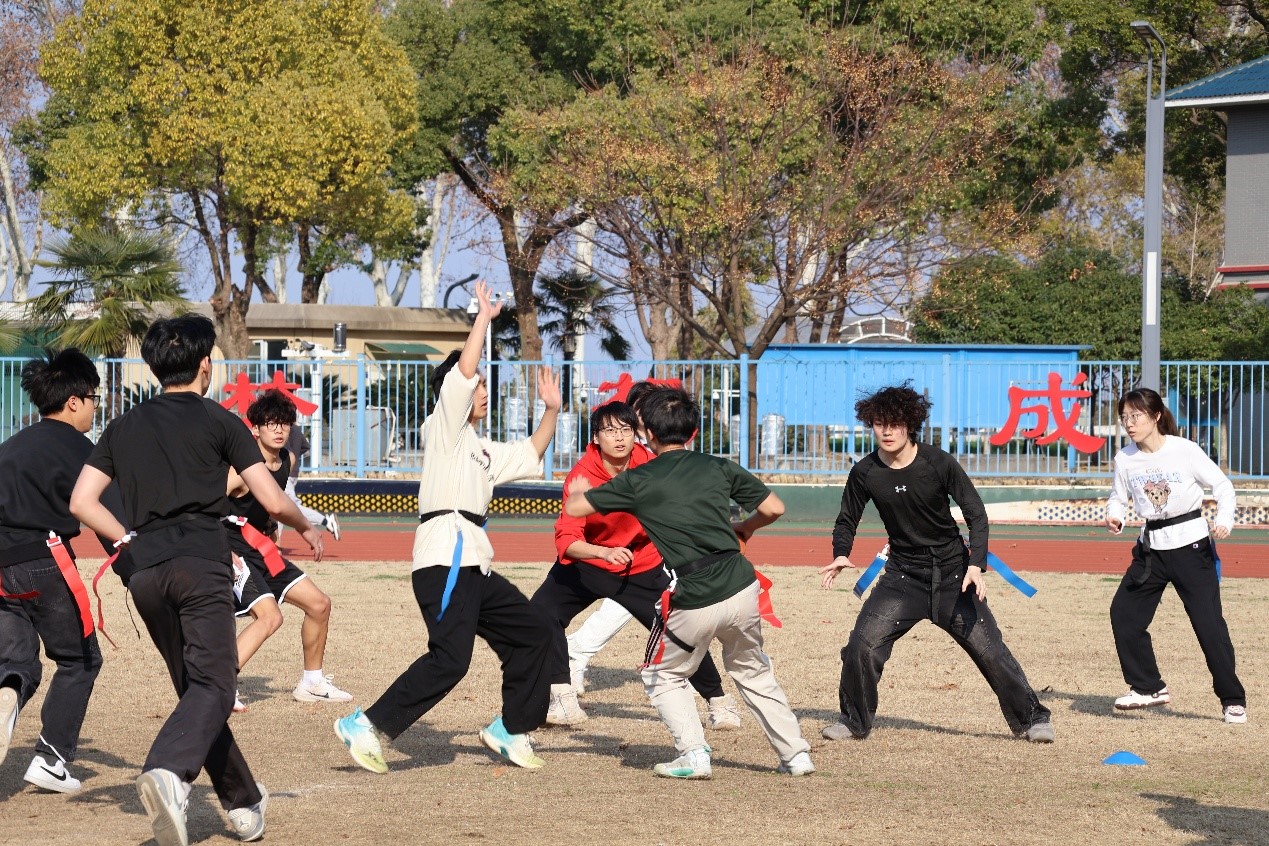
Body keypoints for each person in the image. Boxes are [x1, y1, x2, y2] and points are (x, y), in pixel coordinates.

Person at [70, 315, 324, 846]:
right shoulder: (220, 420)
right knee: (216, 684)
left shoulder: (123, 425)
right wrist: (307, 525)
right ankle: (167, 772)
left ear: (154, 367)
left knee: (197, 689)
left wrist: (128, 540)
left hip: (144, 573)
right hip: (201, 563)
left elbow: (82, 503)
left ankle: (244, 801)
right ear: (206, 365)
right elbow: (273, 499)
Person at [334, 280, 561, 773]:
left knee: (534, 633)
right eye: (477, 385)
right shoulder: (443, 427)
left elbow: (531, 453)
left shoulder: (480, 450)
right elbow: (462, 371)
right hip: (445, 560)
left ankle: (511, 729)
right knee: (450, 660)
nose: (483, 390)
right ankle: (366, 724)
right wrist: (483, 318)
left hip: (475, 564)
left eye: (482, 384)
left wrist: (552, 410)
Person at [564, 387, 813, 779]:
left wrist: (581, 490)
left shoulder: (639, 478)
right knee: (753, 671)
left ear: (646, 433)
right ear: (693, 431)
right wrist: (746, 527)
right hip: (742, 585)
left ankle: (694, 755)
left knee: (661, 675)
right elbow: (774, 507)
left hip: (695, 592)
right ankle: (796, 756)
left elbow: (576, 507)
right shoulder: (718, 466)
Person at [819, 384, 1053, 743]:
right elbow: (846, 519)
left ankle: (1033, 719)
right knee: (861, 647)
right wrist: (841, 552)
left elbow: (976, 514)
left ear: (910, 425)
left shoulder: (937, 462)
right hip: (902, 577)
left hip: (953, 575)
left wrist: (976, 565)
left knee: (990, 651)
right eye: (880, 423)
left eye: (895, 424)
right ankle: (854, 722)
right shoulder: (865, 472)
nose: (887, 431)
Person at [529, 400, 740, 728]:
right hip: (587, 564)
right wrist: (602, 553)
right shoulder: (582, 475)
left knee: (679, 631)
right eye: (609, 431)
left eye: (625, 430)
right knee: (541, 613)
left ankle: (719, 702)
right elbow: (566, 540)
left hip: (639, 566)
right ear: (595, 437)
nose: (619, 437)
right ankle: (563, 698)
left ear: (636, 434)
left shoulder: (651, 464)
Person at [0, 349, 110, 794]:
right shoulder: (83, 450)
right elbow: (106, 513)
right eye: (94, 398)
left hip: (1, 566)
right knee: (80, 659)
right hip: (45, 560)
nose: (95, 407)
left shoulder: (10, 445)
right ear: (73, 401)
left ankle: (7, 695)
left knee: (15, 662)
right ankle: (51, 759)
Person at [1105, 388, 1245, 723]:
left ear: (1155, 416)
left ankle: (1233, 700)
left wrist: (1224, 520)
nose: (1129, 423)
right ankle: (1147, 687)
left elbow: (1223, 486)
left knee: (1208, 625)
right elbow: (1117, 496)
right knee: (1124, 613)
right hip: (1150, 551)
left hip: (1191, 547)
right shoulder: (1125, 458)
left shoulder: (1184, 450)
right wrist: (1115, 515)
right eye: (1124, 417)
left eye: (1135, 416)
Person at [228, 390, 352, 710]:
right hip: (229, 547)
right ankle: (219, 686)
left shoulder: (287, 460)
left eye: (284, 423)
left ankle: (312, 683)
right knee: (270, 617)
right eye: (270, 423)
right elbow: (205, 505)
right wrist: (220, 549)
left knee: (319, 604)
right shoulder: (241, 467)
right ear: (255, 429)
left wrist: (274, 528)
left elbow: (275, 504)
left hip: (260, 547)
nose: (279, 429)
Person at [281, 426, 340, 541]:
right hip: (293, 473)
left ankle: (326, 521)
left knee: (292, 509)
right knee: (282, 509)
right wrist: (296, 455)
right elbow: (305, 447)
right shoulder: (296, 430)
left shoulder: (282, 429)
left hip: (285, 472)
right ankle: (275, 544)